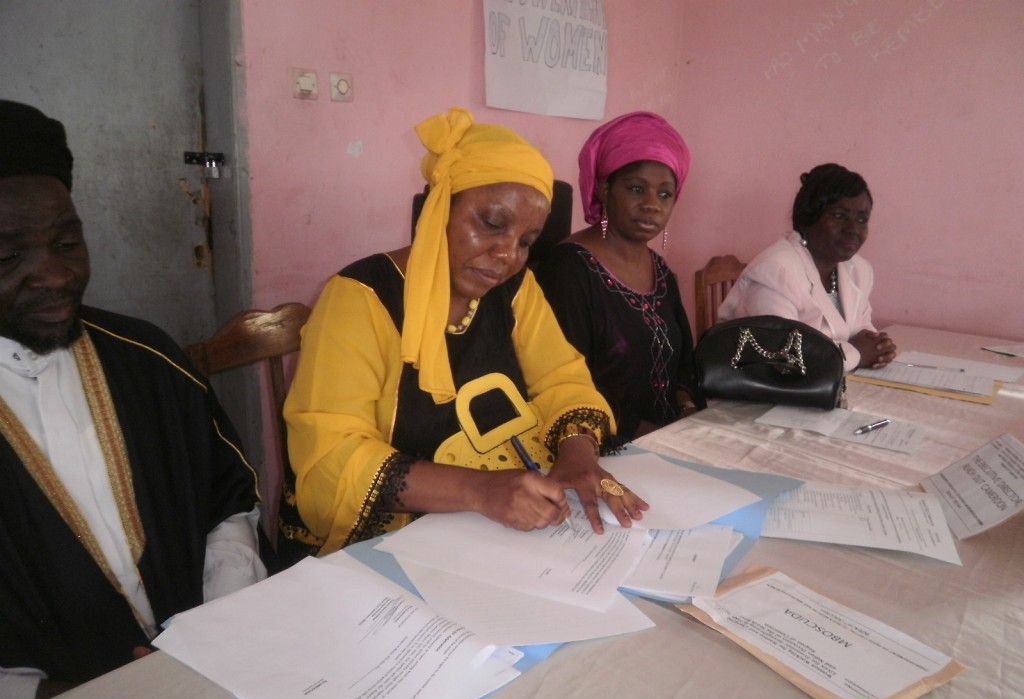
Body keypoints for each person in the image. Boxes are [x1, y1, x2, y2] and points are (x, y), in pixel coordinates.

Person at [0, 100, 267, 699]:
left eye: (67, 241)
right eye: (8, 256)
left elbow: (226, 500)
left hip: (210, 675)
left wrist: (219, 627)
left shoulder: (147, 358)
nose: (54, 275)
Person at [283, 107, 646, 555]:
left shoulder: (514, 288)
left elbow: (562, 377)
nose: (507, 255)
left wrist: (577, 453)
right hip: (388, 541)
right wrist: (480, 491)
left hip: (492, 530)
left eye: (526, 241)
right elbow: (331, 456)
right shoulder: (359, 298)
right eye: (492, 223)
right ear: (440, 207)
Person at [532, 112, 703, 446]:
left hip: (666, 444)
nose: (652, 205)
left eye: (665, 194)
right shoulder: (567, 269)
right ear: (605, 188)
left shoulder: (661, 270)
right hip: (595, 447)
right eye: (637, 189)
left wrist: (686, 409)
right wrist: (649, 436)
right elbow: (564, 383)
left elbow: (684, 362)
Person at [717, 163, 896, 370]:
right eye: (839, 216)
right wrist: (856, 353)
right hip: (759, 392)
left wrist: (878, 345)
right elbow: (782, 357)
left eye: (862, 219)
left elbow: (860, 328)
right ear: (807, 218)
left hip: (823, 387)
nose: (853, 229)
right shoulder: (776, 271)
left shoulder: (858, 270)